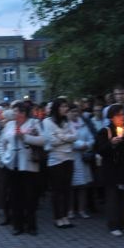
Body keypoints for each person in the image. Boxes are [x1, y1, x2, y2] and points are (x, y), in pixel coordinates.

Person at [0, 102, 45, 235]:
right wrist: (3, 157)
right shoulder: (9, 125)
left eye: (20, 111)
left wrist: (25, 137)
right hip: (12, 166)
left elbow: (42, 140)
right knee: (15, 197)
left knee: (30, 197)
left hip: (29, 166)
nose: (17, 114)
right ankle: (18, 225)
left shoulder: (33, 123)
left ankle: (31, 226)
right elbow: (1, 143)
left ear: (25, 112)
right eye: (16, 111)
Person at [96, 104, 124, 236]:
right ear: (111, 117)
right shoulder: (105, 131)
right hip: (112, 171)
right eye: (118, 115)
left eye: (123, 114)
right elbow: (99, 150)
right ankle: (113, 225)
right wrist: (111, 144)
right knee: (113, 198)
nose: (121, 117)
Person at [43, 98, 77, 229]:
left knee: (67, 189)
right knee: (57, 191)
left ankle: (65, 216)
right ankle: (58, 217)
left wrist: (61, 136)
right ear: (57, 108)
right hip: (56, 160)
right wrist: (66, 138)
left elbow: (75, 136)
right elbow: (52, 141)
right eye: (63, 107)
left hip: (69, 159)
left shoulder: (66, 121)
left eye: (66, 107)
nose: (66, 109)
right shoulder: (47, 122)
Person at [66, 104, 94, 219]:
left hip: (83, 159)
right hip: (71, 157)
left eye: (76, 111)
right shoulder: (65, 125)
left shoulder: (83, 124)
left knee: (83, 185)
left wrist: (87, 145)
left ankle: (82, 210)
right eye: (72, 111)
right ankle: (71, 210)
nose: (75, 113)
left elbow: (92, 138)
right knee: (72, 186)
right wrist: (81, 145)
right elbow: (68, 139)